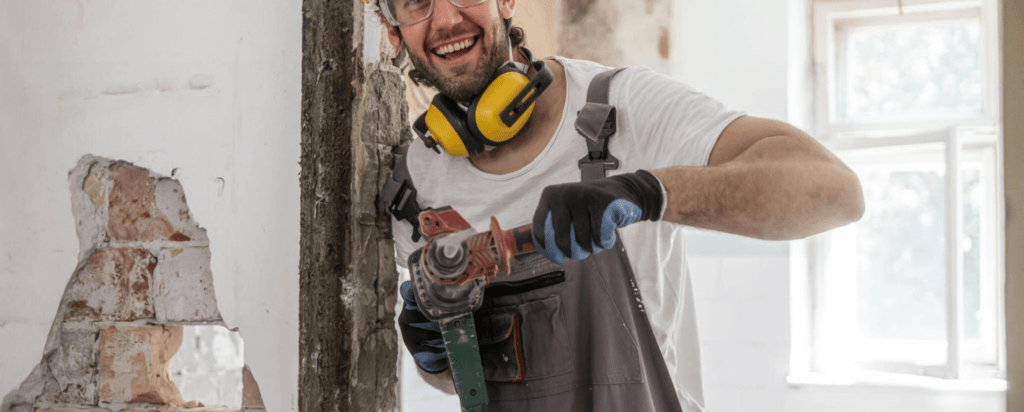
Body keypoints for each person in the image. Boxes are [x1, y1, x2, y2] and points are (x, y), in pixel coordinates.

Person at [374, 0, 865, 410]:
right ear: (395, 34)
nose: (445, 20)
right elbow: (481, 376)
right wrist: (439, 356)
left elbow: (834, 191)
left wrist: (647, 192)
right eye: (416, 1)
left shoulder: (622, 106)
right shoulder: (417, 190)